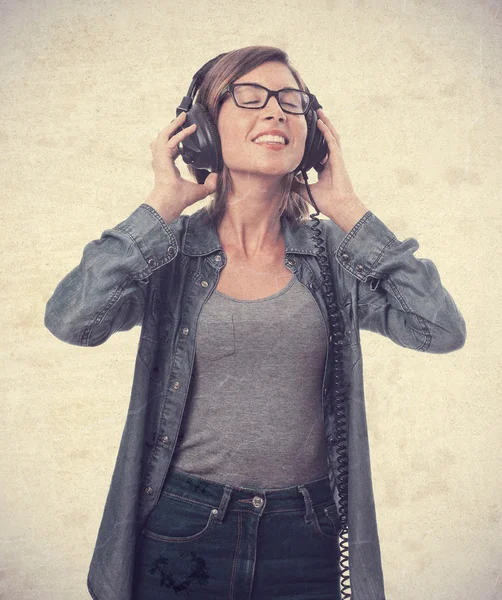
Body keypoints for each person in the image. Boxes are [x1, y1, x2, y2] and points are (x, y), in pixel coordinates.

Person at [44, 46, 467, 600]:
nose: (275, 112)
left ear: (312, 135)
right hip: (181, 525)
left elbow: (440, 330)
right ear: (201, 129)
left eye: (290, 101)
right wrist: (158, 208)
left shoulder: (335, 256)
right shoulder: (166, 251)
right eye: (250, 97)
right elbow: (73, 320)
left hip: (308, 531)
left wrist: (351, 211)